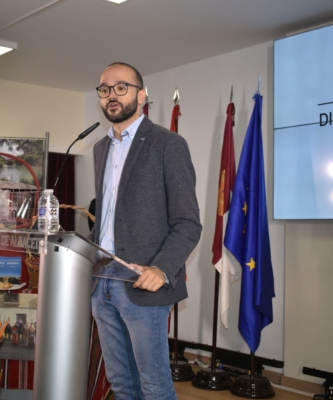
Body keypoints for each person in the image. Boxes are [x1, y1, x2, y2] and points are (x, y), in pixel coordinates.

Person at [89, 62, 202, 400]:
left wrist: (162, 268)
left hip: (143, 284)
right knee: (121, 383)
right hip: (104, 282)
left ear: (142, 95)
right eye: (105, 89)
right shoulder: (100, 148)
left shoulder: (168, 144)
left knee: (154, 387)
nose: (112, 95)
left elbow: (188, 222)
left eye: (121, 87)